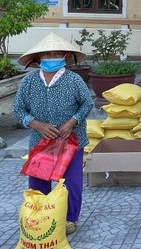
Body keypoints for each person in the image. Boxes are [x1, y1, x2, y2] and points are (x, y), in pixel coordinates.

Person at [13, 33, 94, 236]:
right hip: (40, 141)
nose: (52, 57)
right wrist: (37, 124)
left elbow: (87, 103)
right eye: (47, 54)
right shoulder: (29, 82)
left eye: (56, 53)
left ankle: (69, 219)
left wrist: (73, 121)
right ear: (39, 58)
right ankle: (42, 216)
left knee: (71, 182)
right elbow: (19, 109)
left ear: (65, 55)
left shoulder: (74, 80)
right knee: (38, 181)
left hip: (71, 140)